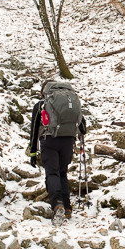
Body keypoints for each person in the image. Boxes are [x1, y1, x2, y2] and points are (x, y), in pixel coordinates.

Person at [29, 81, 86, 226]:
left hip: (49, 141)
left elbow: (34, 129)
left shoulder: (41, 104)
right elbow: (82, 126)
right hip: (67, 141)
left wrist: (33, 152)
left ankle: (57, 204)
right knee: (62, 173)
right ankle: (67, 207)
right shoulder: (71, 101)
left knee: (52, 173)